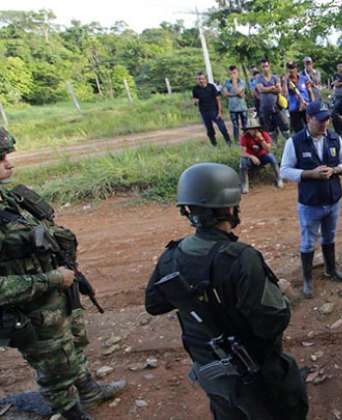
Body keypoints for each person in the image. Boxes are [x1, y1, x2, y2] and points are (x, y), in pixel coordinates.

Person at [144, 162, 308, 420]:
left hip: (211, 371)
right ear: (230, 208)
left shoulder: (171, 256)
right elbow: (270, 323)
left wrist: (197, 301)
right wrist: (284, 296)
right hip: (256, 374)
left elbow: (154, 304)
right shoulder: (242, 258)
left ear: (187, 209)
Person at [0, 128, 126, 420]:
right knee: (54, 367)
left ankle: (89, 392)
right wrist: (49, 279)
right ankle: (71, 413)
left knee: (72, 347)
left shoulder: (9, 199)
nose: (9, 162)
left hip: (56, 296)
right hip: (31, 307)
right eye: (1, 157)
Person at [280, 101, 342, 298]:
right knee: (308, 242)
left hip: (333, 199)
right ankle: (308, 279)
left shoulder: (334, 139)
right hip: (310, 203)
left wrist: (336, 170)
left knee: (329, 236)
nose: (324, 124)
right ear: (308, 119)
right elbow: (284, 170)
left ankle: (331, 269)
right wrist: (309, 174)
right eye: (320, 120)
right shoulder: (294, 142)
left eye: (327, 119)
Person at [239, 116, 283, 192]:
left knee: (271, 157)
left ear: (257, 128)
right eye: (250, 129)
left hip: (263, 156)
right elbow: (243, 152)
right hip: (252, 160)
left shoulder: (264, 134)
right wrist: (252, 157)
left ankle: (279, 178)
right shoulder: (244, 137)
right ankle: (245, 184)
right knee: (242, 162)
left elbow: (268, 149)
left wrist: (261, 139)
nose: (252, 130)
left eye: (253, 128)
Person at [193, 72, 232, 146]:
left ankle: (228, 142)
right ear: (196, 80)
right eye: (198, 79)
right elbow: (195, 101)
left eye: (202, 78)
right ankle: (214, 145)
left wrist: (220, 111)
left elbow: (218, 99)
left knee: (222, 127)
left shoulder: (211, 87)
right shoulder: (195, 89)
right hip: (204, 112)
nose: (200, 80)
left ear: (205, 79)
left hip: (214, 110)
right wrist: (195, 102)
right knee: (209, 130)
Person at [254, 58, 289, 140]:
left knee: (284, 127)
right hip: (265, 108)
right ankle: (275, 146)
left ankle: (288, 143)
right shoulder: (259, 78)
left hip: (276, 107)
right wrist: (273, 87)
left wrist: (266, 89)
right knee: (270, 130)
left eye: (266, 66)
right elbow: (260, 89)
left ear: (269, 66)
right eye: (263, 66)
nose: (265, 68)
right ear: (261, 68)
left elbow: (279, 90)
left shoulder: (275, 77)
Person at [223, 65, 249, 143]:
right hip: (232, 108)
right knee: (235, 126)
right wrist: (238, 94)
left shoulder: (242, 82)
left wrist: (234, 83)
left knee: (245, 125)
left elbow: (238, 93)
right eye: (231, 73)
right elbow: (225, 94)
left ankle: (246, 140)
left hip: (242, 107)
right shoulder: (226, 82)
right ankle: (237, 141)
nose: (232, 75)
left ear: (238, 73)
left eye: (234, 73)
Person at [284, 62, 312, 134]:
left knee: (310, 127)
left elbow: (310, 92)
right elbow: (285, 94)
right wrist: (285, 81)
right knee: (299, 131)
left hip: (305, 106)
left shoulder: (304, 78)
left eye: (293, 68)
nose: (291, 70)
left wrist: (312, 104)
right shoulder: (286, 81)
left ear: (296, 69)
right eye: (290, 68)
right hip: (294, 108)